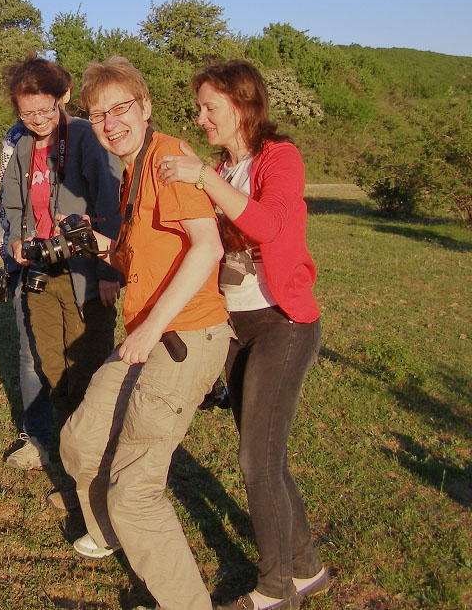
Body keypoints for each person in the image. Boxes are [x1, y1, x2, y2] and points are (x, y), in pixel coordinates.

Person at [59, 56, 232, 610]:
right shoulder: (132, 171)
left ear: (146, 107)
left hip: (183, 336)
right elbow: (145, 256)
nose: (111, 123)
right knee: (81, 441)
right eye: (98, 115)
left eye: (121, 109)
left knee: (134, 489)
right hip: (148, 334)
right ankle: (113, 532)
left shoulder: (169, 158)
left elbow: (207, 246)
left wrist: (152, 328)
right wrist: (99, 245)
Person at [157, 60, 327, 610]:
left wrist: (200, 178)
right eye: (199, 108)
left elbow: (269, 224)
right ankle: (307, 567)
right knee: (266, 456)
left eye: (210, 107)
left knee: (257, 461)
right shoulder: (223, 169)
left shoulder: (280, 157)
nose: (201, 117)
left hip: (283, 323)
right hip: (236, 327)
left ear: (242, 104)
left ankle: (277, 589)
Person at [0, 57, 122, 471]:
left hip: (84, 273)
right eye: (26, 113)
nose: (37, 120)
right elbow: (13, 205)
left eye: (44, 110)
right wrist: (17, 241)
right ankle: (75, 460)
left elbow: (110, 204)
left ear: (62, 98)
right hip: (40, 273)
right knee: (52, 366)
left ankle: (95, 464)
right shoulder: (21, 145)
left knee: (86, 367)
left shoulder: (86, 136)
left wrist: (108, 271)